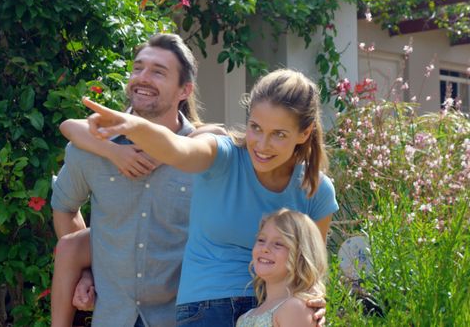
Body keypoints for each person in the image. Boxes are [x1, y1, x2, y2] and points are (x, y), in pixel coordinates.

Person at [81, 68, 338, 326]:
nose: (261, 144)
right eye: (255, 128)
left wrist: (314, 303)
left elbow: (313, 269)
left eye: (279, 134)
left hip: (276, 310)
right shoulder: (222, 156)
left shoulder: (316, 190)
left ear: (304, 133)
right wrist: (136, 127)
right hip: (207, 309)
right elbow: (177, 148)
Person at [51, 33, 206, 327]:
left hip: (182, 319)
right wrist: (85, 269)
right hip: (112, 317)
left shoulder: (204, 153)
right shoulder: (90, 147)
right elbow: (65, 207)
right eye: (138, 68)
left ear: (184, 90)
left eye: (158, 72)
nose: (142, 78)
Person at [235, 208, 328, 327]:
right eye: (261, 240)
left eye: (278, 244)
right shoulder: (245, 317)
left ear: (301, 255)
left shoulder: (295, 308)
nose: (265, 248)